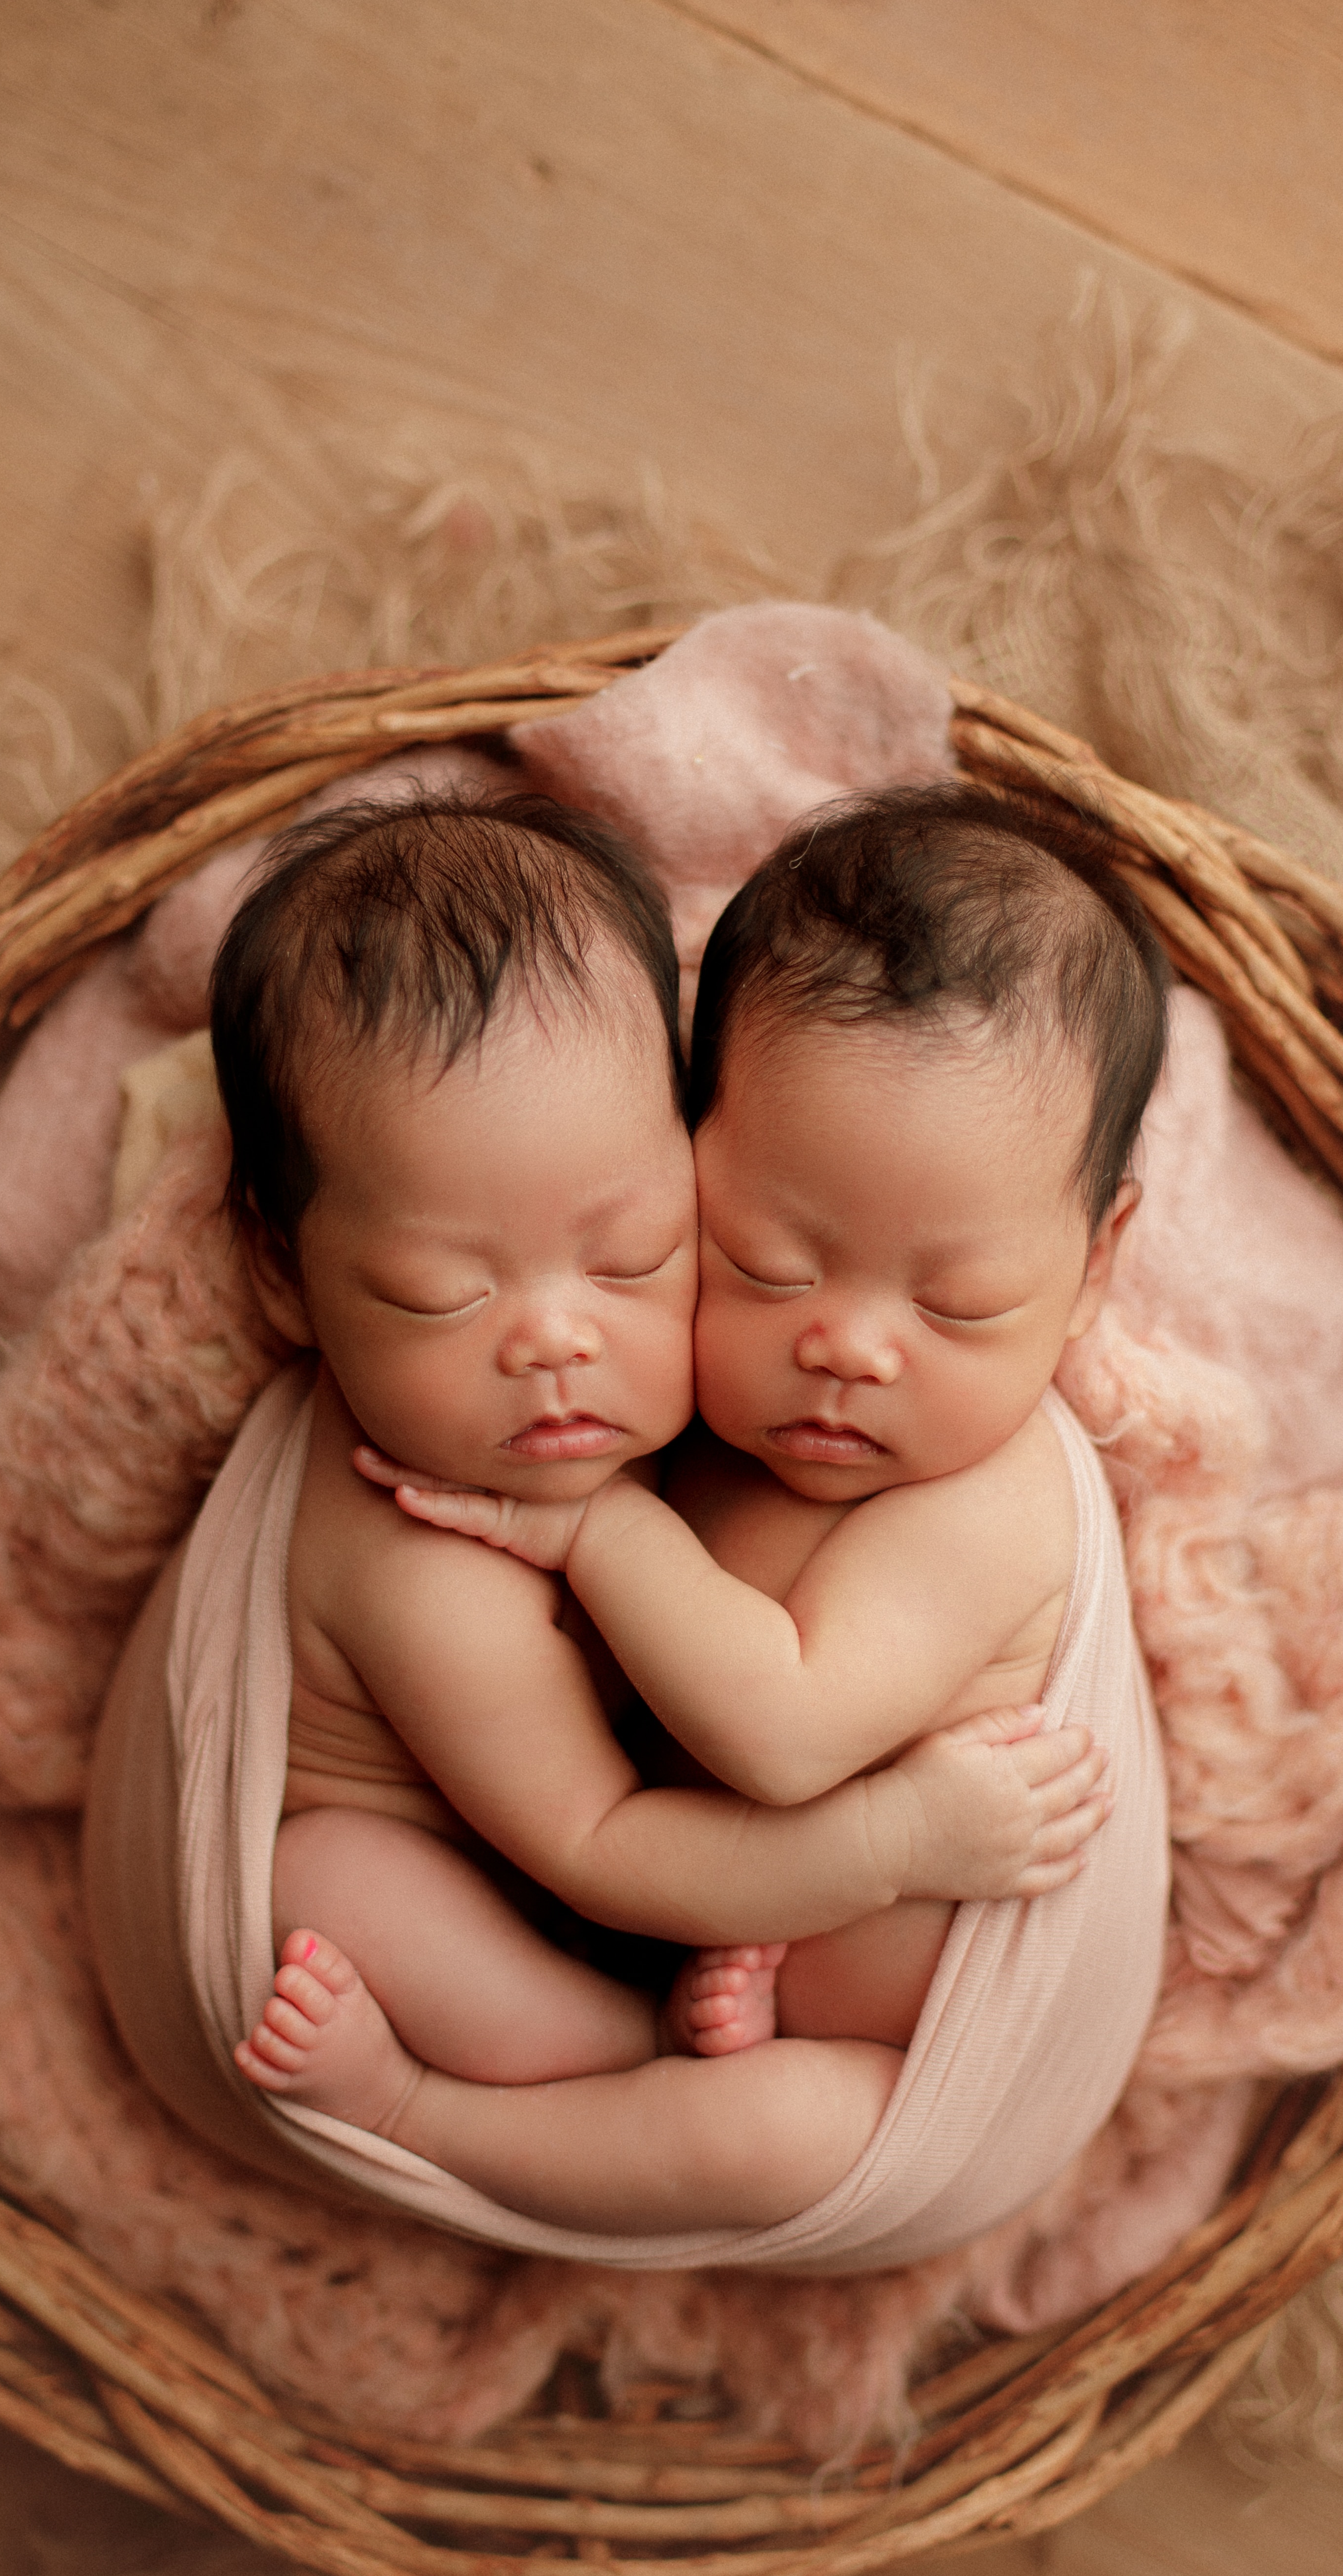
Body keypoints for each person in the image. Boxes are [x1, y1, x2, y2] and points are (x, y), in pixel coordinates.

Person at [244, 785, 1169, 2237]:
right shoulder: (624, 1426)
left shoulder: (983, 1498)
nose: (847, 1351)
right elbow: (605, 1799)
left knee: (779, 2138)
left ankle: (446, 2119)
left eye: (960, 1303)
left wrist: (605, 1537)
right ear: (690, 1130)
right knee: (323, 1883)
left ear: (1094, 1261)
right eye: (760, 1260)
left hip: (916, 2074)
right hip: (669, 1922)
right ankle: (601, 2047)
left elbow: (783, 1734)